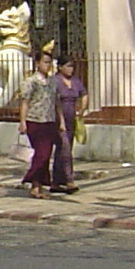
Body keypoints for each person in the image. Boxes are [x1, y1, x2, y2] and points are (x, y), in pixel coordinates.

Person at [16, 48, 62, 198]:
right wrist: (22, 121)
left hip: (49, 120)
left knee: (46, 154)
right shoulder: (31, 81)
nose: (48, 65)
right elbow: (25, 102)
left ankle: (37, 186)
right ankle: (31, 179)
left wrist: (61, 121)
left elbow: (56, 102)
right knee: (41, 154)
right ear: (37, 63)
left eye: (50, 63)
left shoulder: (52, 82)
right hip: (35, 121)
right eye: (45, 62)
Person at [51, 51, 88, 195]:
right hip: (59, 119)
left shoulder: (75, 81)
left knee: (64, 149)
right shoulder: (55, 81)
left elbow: (84, 93)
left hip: (72, 118)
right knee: (64, 148)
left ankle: (56, 181)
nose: (70, 69)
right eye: (67, 66)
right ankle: (68, 179)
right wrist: (60, 121)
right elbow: (55, 102)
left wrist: (82, 109)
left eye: (72, 66)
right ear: (60, 67)